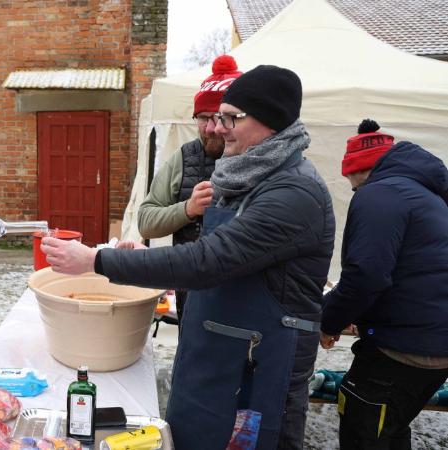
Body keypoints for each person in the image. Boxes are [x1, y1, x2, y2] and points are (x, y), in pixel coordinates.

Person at [42, 65, 335, 450]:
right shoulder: (244, 174)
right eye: (214, 117)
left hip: (258, 367)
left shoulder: (294, 193)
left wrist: (97, 261)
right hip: (212, 351)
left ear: (269, 122)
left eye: (232, 117)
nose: (220, 126)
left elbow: (207, 261)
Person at [319, 120, 448, 450]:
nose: (353, 193)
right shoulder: (423, 195)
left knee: (365, 428)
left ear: (362, 171)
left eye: (352, 185)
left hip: (404, 350)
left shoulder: (380, 194)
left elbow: (366, 276)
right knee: (389, 426)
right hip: (431, 343)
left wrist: (329, 320)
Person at [137, 54, 241, 323]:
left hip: (242, 295)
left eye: (217, 117)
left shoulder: (261, 160)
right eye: (201, 118)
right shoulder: (184, 159)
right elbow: (146, 221)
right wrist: (188, 208)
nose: (209, 128)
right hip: (192, 294)